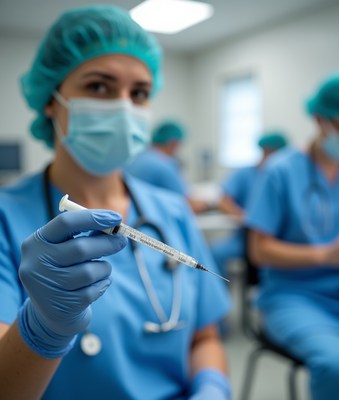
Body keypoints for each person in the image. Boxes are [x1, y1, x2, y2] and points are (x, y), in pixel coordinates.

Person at [0, 5, 232, 400]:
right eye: (99, 87)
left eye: (139, 93)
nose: (123, 107)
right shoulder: (6, 218)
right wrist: (44, 328)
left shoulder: (171, 211)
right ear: (51, 101)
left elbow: (203, 338)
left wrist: (212, 386)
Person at [246, 71, 339, 400]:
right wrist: (323, 255)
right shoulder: (281, 171)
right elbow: (258, 250)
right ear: (320, 120)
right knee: (338, 363)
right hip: (291, 298)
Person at [210, 131, 288, 277]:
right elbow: (223, 201)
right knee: (215, 254)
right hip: (243, 239)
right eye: (268, 152)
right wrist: (247, 218)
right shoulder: (245, 174)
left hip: (280, 241)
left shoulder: (285, 177)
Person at [125, 120, 210, 213]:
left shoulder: (136, 157)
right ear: (173, 143)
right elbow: (188, 205)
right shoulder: (164, 164)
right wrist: (210, 204)